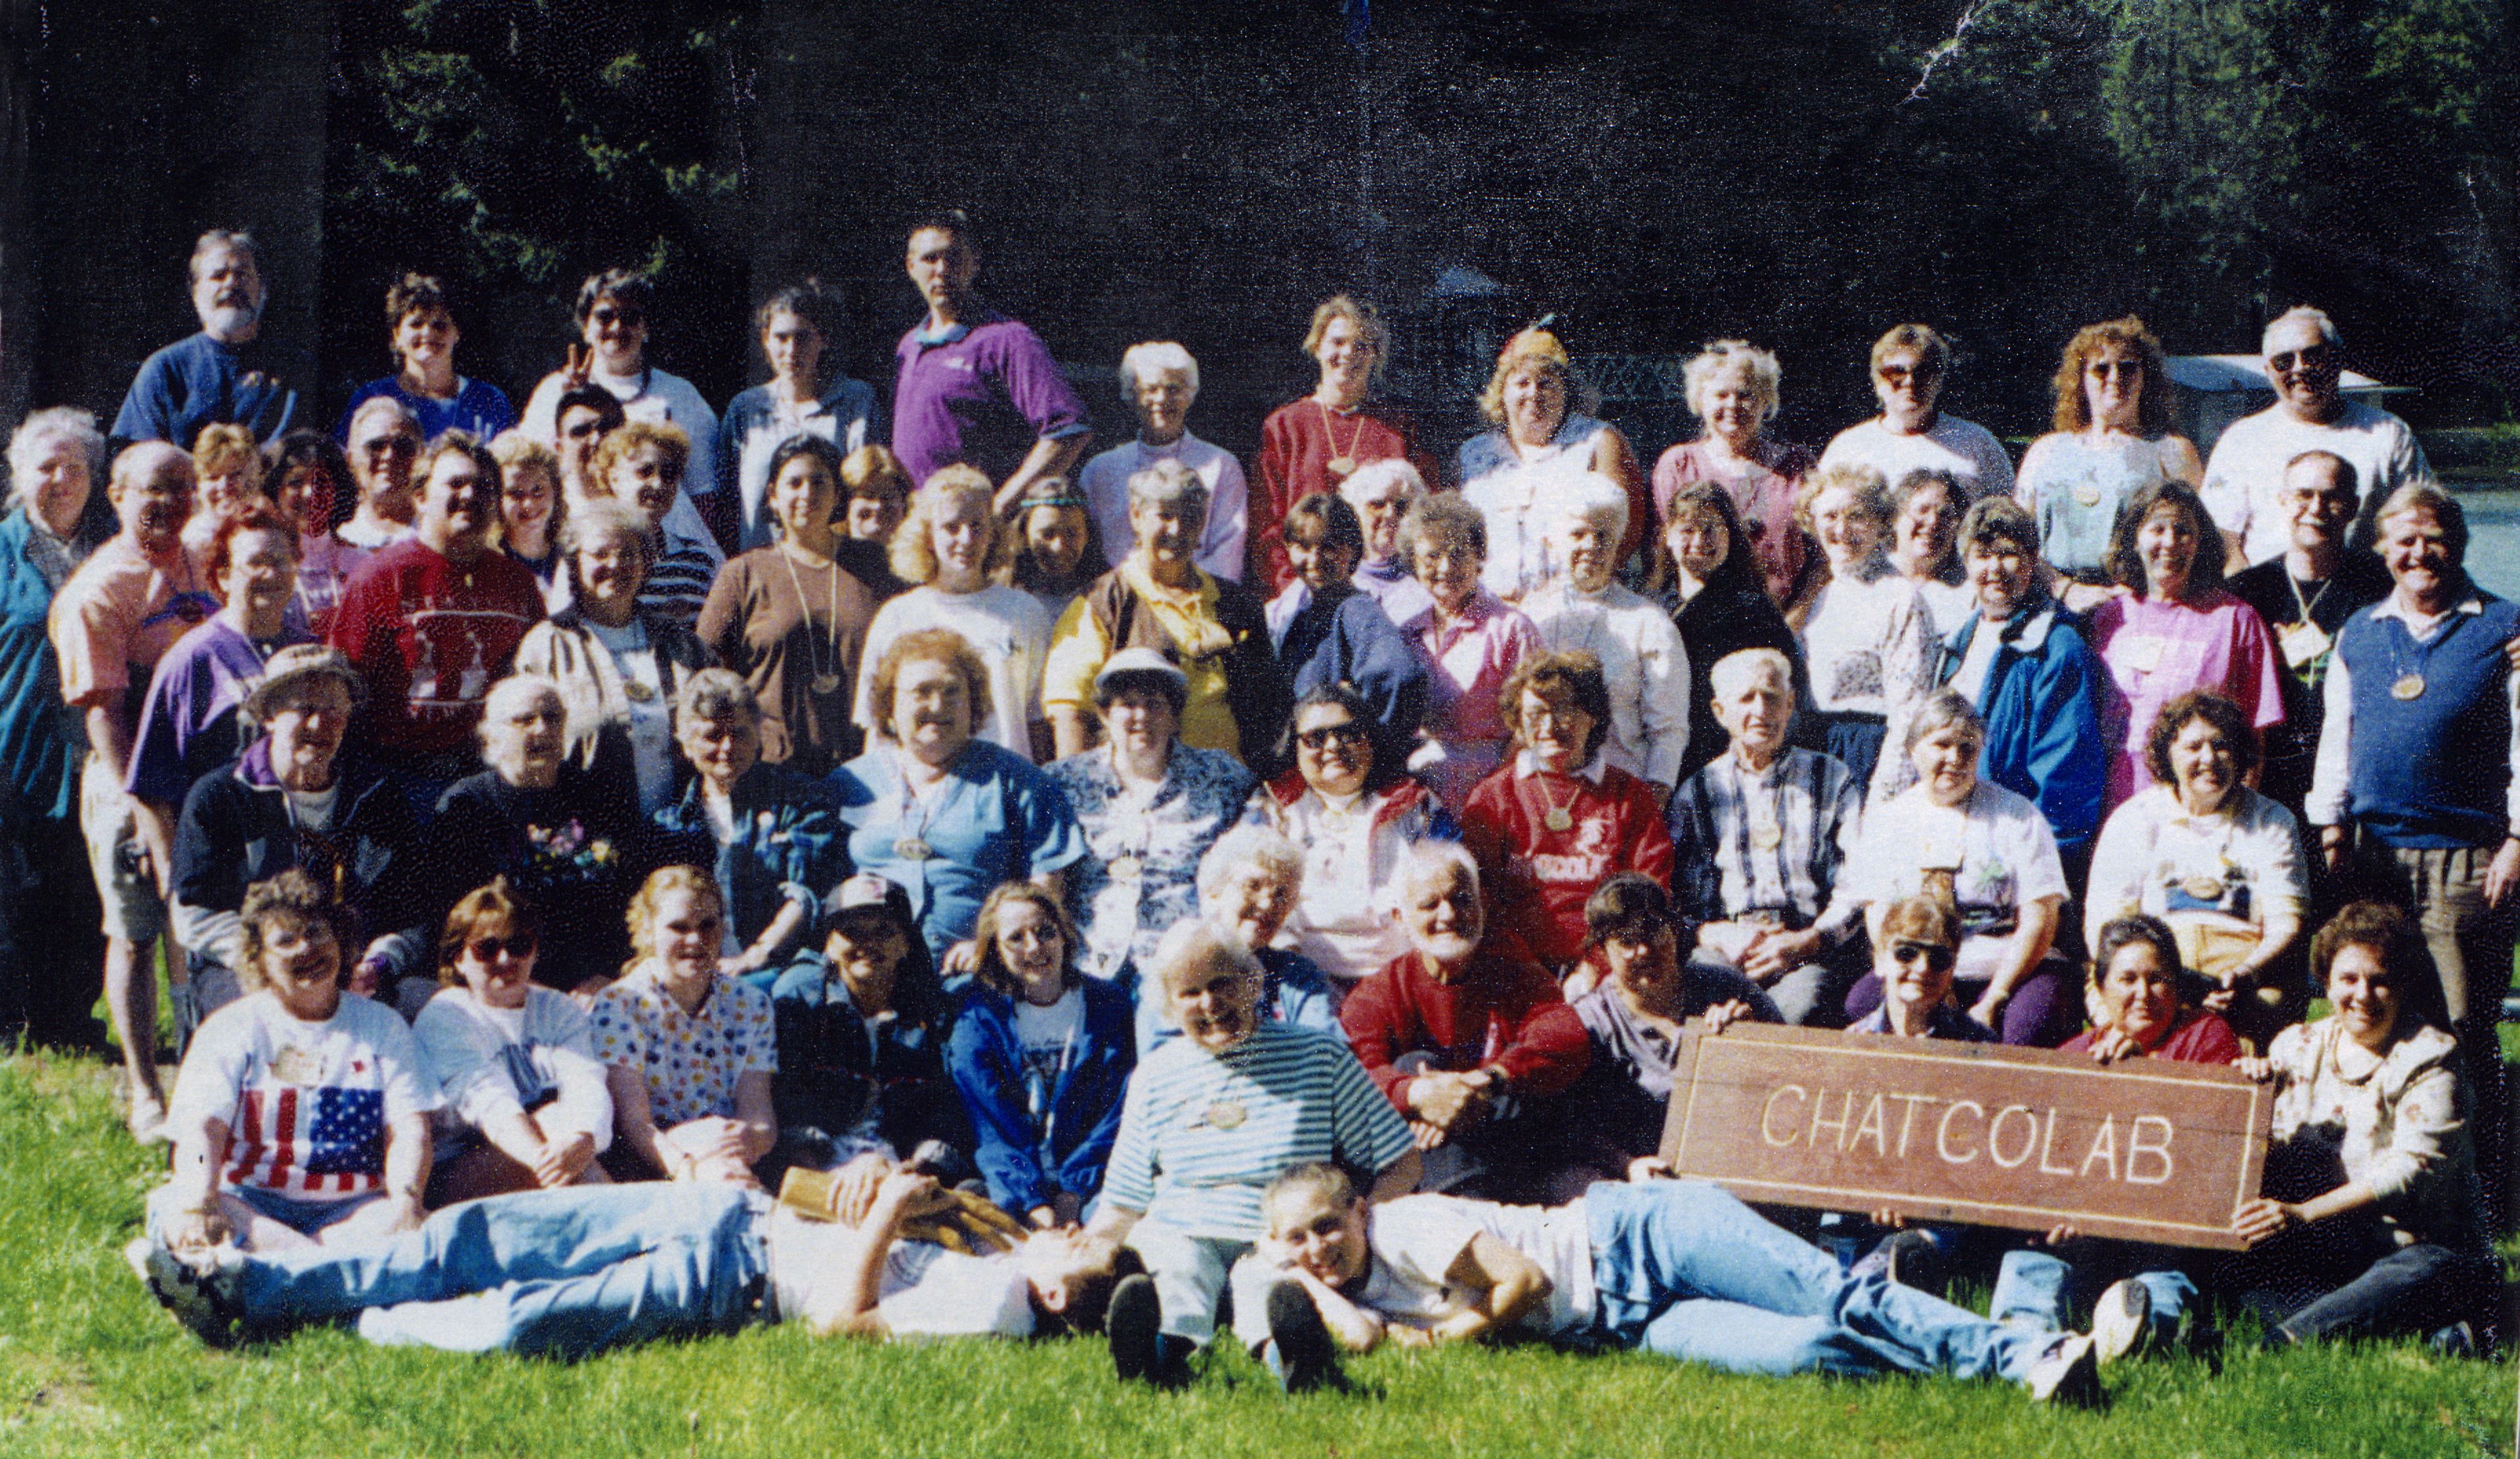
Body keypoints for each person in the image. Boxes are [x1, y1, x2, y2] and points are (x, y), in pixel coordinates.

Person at [1255, 1157, 2110, 1402]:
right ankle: (2021, 1327)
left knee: (1840, 1293)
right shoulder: (1343, 1284)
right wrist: (1309, 1279)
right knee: (1813, 1349)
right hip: (1623, 1322)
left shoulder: (1407, 1225)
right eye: (1299, 1240)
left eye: (1329, 1224)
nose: (1319, 1246)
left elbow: (1518, 1285)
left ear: (1362, 1210)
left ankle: (2027, 1349)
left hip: (1644, 1235)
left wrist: (1442, 1335)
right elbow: (1364, 1337)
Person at [134, 1166, 1136, 1354]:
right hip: (728, 1208)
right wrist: (880, 1185)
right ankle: (253, 1288)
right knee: (477, 1232)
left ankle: (347, 1316)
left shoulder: (998, 1304)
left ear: (1055, 1285)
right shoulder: (998, 1235)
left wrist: (885, 1224)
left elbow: (842, 1321)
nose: (1069, 1225)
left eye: (1080, 1242)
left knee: (529, 1317)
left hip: (732, 1280)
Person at [1089, 918, 1418, 1387]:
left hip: (1275, 1235)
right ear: (1169, 1005)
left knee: (1268, 1286)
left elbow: (1402, 1160)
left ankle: (1291, 1361)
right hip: (1181, 1225)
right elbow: (1124, 1196)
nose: (1210, 1003)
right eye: (1190, 993)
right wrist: (1091, 1251)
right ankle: (1156, 1354)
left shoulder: (1318, 1056)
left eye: (1222, 983)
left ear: (1253, 981)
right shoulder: (1155, 1075)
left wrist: (1360, 1227)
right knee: (1176, 1270)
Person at [2308, 483, 2519, 1206]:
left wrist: (2519, 838)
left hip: (2469, 857)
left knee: (2461, 1021)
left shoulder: (2503, 626)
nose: (2418, 553)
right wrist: (2332, 826)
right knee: (2377, 1016)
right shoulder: (2361, 631)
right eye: (2402, 540)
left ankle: (2474, 1181)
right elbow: (2339, 738)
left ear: (2457, 543)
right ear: (2381, 550)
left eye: (2431, 537)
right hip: (2374, 858)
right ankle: (2383, 1167)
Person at [2225, 902, 2496, 1346]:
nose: (2363, 994)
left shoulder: (2432, 1055)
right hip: (2326, 1246)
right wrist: (2246, 1094)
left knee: (2421, 1271)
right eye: (2348, 978)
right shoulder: (2296, 1045)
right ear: (2327, 981)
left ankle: (2282, 1339)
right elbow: (2261, 1151)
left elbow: (2411, 1170)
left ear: (2403, 984)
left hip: (2413, 1246)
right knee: (2238, 1273)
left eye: (2380, 980)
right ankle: (2415, 1330)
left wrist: (2303, 1212)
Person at [51, 440, 211, 1136]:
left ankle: (207, 1076)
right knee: (138, 931)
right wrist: (148, 820)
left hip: (201, 772)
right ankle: (146, 1089)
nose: (170, 503)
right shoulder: (99, 589)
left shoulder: (200, 561)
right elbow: (104, 718)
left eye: (182, 488)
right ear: (117, 496)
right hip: (130, 776)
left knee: (205, 930)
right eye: (155, 490)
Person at [146, 870, 438, 1252]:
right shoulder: (231, 1027)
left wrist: (406, 1202)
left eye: (316, 933)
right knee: (177, 1208)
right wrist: (200, 1202)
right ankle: (325, 1272)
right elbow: (202, 1130)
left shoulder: (384, 1026)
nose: (306, 949)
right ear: (260, 960)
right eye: (286, 941)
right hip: (251, 1208)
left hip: (353, 1212)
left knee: (407, 1228)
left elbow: (410, 1131)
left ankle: (277, 1275)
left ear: (340, 939)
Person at [170, 646, 427, 1026]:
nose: (320, 724)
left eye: (334, 711)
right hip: (255, 966)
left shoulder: (379, 795)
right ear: (269, 716)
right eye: (305, 709)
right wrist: (274, 961)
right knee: (262, 1018)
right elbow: (193, 912)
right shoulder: (221, 795)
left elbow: (410, 912)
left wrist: (377, 963)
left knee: (437, 1008)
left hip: (358, 969)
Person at [1341, 843, 1590, 1201]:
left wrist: (1490, 1079)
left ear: (1482, 905)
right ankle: (1471, 1207)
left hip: (1504, 1139)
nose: (1448, 915)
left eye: (1461, 900)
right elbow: (1348, 1069)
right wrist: (1418, 1094)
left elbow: (1565, 1034)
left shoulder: (1512, 970)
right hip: (1418, 1157)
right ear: (1400, 917)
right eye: (1429, 905)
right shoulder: (1383, 991)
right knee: (1411, 1065)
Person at [828, 628, 1087, 967]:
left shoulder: (1016, 782)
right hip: (868, 970)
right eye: (921, 692)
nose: (937, 706)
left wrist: (992, 946)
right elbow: (820, 883)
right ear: (890, 703)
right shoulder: (848, 783)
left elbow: (1046, 887)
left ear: (974, 704)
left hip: (976, 973)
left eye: (952, 693)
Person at [1841, 694, 2078, 1046]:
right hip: (1919, 966)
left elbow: (2040, 920)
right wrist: (1925, 984)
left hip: (2004, 970)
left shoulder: (2018, 816)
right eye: (1942, 745)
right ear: (1913, 749)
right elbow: (1880, 917)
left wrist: (1996, 996)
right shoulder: (1887, 820)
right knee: (1862, 1002)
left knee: (2029, 1022)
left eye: (1967, 748)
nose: (1955, 758)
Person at [328, 431, 546, 813]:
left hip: (489, 774)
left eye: (483, 487)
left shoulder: (518, 583)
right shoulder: (380, 578)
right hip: (401, 779)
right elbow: (345, 686)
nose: (470, 495)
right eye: (456, 483)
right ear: (421, 497)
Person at [2086, 690, 2309, 1044]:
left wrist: (2245, 973)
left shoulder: (2273, 820)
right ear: (2168, 756)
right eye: (2193, 748)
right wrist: (2178, 981)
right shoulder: (2134, 818)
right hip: (2154, 966)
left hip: (2244, 969)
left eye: (2221, 746)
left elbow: (2287, 923)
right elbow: (2108, 925)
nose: (2209, 759)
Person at [1667, 649, 1867, 1026]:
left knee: (1801, 1009)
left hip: (1803, 947)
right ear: (1719, 711)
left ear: (1790, 705)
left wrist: (1809, 940)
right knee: (1703, 1003)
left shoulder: (1832, 779)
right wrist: (1710, 933)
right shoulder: (1696, 792)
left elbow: (1860, 882)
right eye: (1745, 698)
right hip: (1724, 950)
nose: (1760, 709)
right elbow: (1672, 895)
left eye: (1771, 697)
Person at [1044, 459, 1287, 765]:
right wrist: (1077, 793)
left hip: (1231, 786)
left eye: (1190, 517)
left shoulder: (1236, 603)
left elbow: (1268, 710)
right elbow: (1070, 710)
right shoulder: (1102, 602)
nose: (1177, 529)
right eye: (1165, 515)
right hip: (1138, 791)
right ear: (1136, 516)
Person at [1549, 876, 1774, 1193]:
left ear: (1672, 929)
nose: (1643, 950)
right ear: (1602, 949)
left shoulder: (1726, 987)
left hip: (1738, 1167)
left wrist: (1755, 1041)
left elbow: (1797, 1076)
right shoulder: (1591, 1021)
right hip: (1653, 1182)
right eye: (1626, 942)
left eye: (1653, 933)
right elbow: (1569, 1126)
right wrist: (1626, 1165)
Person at [425, 674, 645, 997]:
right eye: (525, 720)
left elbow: (635, 898)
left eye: (552, 718)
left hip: (601, 985)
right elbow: (453, 921)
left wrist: (611, 975)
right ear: (493, 736)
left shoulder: (603, 797)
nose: (542, 729)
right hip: (503, 984)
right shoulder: (468, 807)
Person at [0, 408, 111, 1047]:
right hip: (15, 755)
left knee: (83, 896)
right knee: (15, 898)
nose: (62, 479)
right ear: (21, 475)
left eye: (75, 467)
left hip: (92, 760)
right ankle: (11, 1026)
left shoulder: (110, 553)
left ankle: (69, 1023)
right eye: (47, 466)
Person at [1045, 650, 1257, 982]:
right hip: (1088, 965)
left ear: (1175, 717)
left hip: (1184, 967)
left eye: (1155, 704)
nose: (1141, 715)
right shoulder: (1063, 781)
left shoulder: (1221, 776)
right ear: (1104, 714)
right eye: (1127, 704)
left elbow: (1264, 837)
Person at [1460, 650, 1673, 974]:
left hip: (1614, 970)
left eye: (1564, 710)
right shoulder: (1492, 798)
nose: (1549, 726)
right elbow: (1479, 902)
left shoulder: (1629, 796)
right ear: (1518, 724)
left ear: (1593, 716)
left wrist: (1598, 967)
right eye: (1535, 714)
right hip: (1516, 972)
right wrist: (1525, 972)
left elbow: (1649, 895)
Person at [411, 878, 614, 1204]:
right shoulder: (447, 1014)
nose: (506, 959)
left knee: (561, 1124)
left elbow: (586, 1083)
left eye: (519, 945)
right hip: (460, 1166)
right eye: (487, 948)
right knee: (553, 1123)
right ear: (458, 959)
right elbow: (488, 1101)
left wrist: (585, 1139)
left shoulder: (557, 1009)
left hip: (552, 1149)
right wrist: (547, 1161)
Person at [946, 881, 1137, 1227]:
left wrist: (1073, 1193)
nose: (1034, 947)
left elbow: (1118, 1111)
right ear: (996, 950)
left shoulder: (1110, 1007)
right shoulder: (977, 1019)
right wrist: (1034, 1202)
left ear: (1065, 934)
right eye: (1016, 939)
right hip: (1011, 1180)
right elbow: (990, 1124)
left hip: (1092, 1180)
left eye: (1045, 932)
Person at [2088, 480, 2284, 809]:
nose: (2170, 542)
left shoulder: (2235, 619)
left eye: (2183, 531)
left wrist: (2239, 817)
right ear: (2134, 538)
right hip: (2115, 803)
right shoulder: (2109, 617)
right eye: (2158, 529)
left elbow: (2255, 736)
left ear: (2200, 542)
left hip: (2203, 803)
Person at [513, 497, 712, 817]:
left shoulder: (683, 645)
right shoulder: (545, 646)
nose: (616, 565)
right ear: (575, 563)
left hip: (679, 831)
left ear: (646, 564)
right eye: (601, 554)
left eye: (629, 554)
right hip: (589, 836)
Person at [1937, 496, 2108, 869]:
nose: (1995, 568)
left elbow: (2066, 769)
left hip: (2017, 849)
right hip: (1956, 836)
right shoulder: (1955, 643)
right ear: (1966, 562)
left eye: (2009, 554)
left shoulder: (2057, 649)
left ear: (2033, 561)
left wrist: (2045, 862)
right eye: (1982, 555)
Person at [1253, 684, 1460, 992]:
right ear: (1295, 748)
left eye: (1348, 733)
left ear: (1370, 741)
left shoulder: (1416, 806)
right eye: (1316, 738)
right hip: (1299, 979)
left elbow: (1451, 886)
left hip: (1401, 978)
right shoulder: (1273, 810)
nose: (1333, 746)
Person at [646, 671, 845, 986]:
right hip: (694, 971)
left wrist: (758, 953)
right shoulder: (669, 824)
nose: (727, 747)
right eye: (713, 736)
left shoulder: (797, 798)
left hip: (778, 967)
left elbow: (806, 891)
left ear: (758, 735)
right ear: (685, 744)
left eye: (739, 733)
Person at [698, 435, 878, 778]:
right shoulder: (743, 573)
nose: (807, 493)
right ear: (773, 496)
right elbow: (706, 673)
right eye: (794, 482)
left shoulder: (875, 566)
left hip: (867, 764)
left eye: (819, 481)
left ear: (838, 494)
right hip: (771, 770)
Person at [768, 874, 971, 1181]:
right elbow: (787, 1104)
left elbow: (945, 1113)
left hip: (905, 1169)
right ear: (830, 944)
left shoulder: (932, 1013)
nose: (869, 944)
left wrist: (917, 1169)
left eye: (884, 932)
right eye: (852, 933)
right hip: (817, 1164)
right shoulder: (802, 998)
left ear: (905, 942)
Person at [2225, 451, 2395, 811]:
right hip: (2268, 769)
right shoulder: (2246, 592)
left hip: (2351, 769)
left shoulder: (2383, 588)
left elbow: (2451, 602)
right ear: (2283, 501)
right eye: (2304, 494)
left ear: (2353, 507)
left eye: (2331, 497)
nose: (2316, 507)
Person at [2201, 305, 2433, 568]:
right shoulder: (2241, 440)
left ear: (2338, 359)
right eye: (2284, 361)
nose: (2300, 368)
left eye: (2313, 355)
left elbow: (2425, 522)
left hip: (2364, 599)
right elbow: (2221, 541)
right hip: (2269, 599)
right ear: (2268, 371)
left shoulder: (2389, 433)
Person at [127, 509, 313, 837]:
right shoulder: (192, 660)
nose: (270, 574)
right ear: (224, 575)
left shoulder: (308, 650)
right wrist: (173, 875)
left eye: (282, 561)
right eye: (256, 563)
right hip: (221, 844)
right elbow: (153, 786)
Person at [588, 867, 778, 1184]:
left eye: (708, 925)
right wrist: (689, 1168)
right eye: (679, 927)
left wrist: (748, 1140)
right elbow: (635, 1125)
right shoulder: (620, 1004)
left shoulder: (752, 1005)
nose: (696, 940)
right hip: (656, 1158)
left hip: (731, 1153)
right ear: (648, 929)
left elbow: (759, 1114)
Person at [891, 211, 1090, 505]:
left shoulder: (1007, 340)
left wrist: (999, 509)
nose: (942, 269)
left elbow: (1069, 431)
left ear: (975, 263)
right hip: (917, 532)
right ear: (910, 266)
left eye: (954, 257)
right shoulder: (908, 346)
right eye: (930, 259)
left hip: (972, 536)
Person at [520, 269, 727, 549]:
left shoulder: (680, 395)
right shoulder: (553, 392)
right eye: (605, 316)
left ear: (646, 328)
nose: (617, 327)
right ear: (585, 327)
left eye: (630, 317)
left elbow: (705, 495)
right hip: (577, 548)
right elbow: (526, 477)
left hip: (663, 552)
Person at [858, 465, 1052, 761]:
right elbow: (878, 730)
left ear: (993, 531)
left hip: (1005, 787)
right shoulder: (897, 616)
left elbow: (1036, 718)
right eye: (951, 527)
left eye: (977, 526)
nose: (966, 539)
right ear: (927, 534)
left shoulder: (1025, 612)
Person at [1253, 295, 1442, 591]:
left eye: (1362, 345)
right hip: (1303, 588)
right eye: (1338, 342)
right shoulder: (1284, 427)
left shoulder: (1398, 428)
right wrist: (1293, 591)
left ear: (1375, 355)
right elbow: (1268, 526)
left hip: (1386, 589)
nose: (1349, 353)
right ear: (1317, 347)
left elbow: (1425, 517)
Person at [2013, 318, 2202, 610]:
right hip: (2047, 602)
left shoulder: (2172, 452)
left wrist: (2125, 594)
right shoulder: (2044, 451)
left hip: (2137, 606)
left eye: (2128, 367)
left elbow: (2197, 543)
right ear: (2080, 379)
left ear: (2145, 376)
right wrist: (2064, 589)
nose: (2115, 377)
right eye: (2101, 368)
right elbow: (2016, 538)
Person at [1519, 476, 1691, 792]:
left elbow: (1669, 731)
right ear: (1553, 541)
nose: (1591, 546)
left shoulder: (1648, 622)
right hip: (1541, 789)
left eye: (1603, 536)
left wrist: (1656, 795)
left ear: (1618, 544)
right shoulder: (1529, 616)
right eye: (1578, 534)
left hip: (1620, 793)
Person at [1454, 327, 1650, 602]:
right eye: (1522, 383)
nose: (1535, 393)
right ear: (1502, 393)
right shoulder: (1472, 453)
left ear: (1567, 390)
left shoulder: (1597, 442)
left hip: (1576, 606)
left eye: (1547, 382)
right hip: (1493, 612)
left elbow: (1624, 532)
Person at [1794, 464, 1935, 800]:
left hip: (1868, 751)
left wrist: (1884, 795)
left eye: (1856, 516)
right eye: (1829, 516)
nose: (1842, 529)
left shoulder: (1899, 597)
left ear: (1880, 523)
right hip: (1811, 750)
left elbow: (1909, 710)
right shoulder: (1815, 592)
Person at [1395, 492, 1541, 810]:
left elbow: (1532, 723)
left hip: (1495, 785)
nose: (1446, 567)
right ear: (1414, 564)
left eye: (1459, 553)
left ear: (1479, 557)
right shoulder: (1406, 634)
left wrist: (1495, 789)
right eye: (1432, 556)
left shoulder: (1511, 628)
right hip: (1422, 785)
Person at [1264, 491, 1429, 771]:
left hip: (1339, 766)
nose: (1315, 558)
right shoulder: (1302, 613)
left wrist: (1372, 744)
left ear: (1352, 550)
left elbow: (1399, 675)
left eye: (1329, 546)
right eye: (1304, 546)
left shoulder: (1355, 610)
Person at [1137, 826, 1342, 1050]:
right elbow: (1161, 1060)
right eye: (1253, 886)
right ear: (1214, 891)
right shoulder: (1176, 967)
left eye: (1282, 895)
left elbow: (1326, 1052)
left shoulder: (1297, 976)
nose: (1267, 904)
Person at [1652, 339, 1816, 608]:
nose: (1733, 405)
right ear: (1700, 400)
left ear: (1766, 401)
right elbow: (1662, 557)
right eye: (1721, 395)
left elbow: (1822, 559)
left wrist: (1793, 622)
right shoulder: (1679, 466)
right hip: (1700, 622)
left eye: (1745, 394)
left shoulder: (1797, 466)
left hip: (1788, 622)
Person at [719, 280, 880, 552]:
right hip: (762, 565)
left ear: (824, 339)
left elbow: (866, 492)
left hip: (833, 564)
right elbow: (727, 504)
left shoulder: (855, 402)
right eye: (781, 338)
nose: (792, 350)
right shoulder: (745, 409)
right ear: (765, 341)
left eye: (803, 337)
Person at [1659, 479, 1803, 784]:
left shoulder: (1753, 609)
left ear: (1730, 534)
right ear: (1668, 536)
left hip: (1732, 758)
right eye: (1688, 530)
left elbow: (1789, 688)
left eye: (1711, 528)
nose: (1700, 540)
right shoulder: (1652, 607)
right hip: (1668, 758)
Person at [112, 229, 302, 450]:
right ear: (195, 291)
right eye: (218, 275)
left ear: (263, 290)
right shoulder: (165, 370)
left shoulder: (299, 370)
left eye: (242, 274)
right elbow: (134, 459)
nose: (231, 284)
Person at [1080, 341, 1246, 581]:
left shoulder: (1222, 466)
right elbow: (1088, 557)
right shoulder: (1099, 471)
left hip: (1195, 603)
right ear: (1132, 395)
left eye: (1173, 389)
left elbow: (1227, 557)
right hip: (1118, 603)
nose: (1161, 399)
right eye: (1150, 389)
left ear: (1189, 395)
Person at [1817, 324, 2014, 501]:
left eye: (1923, 371)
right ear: (1877, 382)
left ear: (1939, 380)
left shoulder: (1976, 441)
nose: (1910, 381)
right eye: (1897, 372)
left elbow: (2008, 515)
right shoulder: (1848, 447)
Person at [335, 272, 517, 446]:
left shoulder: (489, 401)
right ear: (397, 335)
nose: (428, 333)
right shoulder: (372, 397)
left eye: (439, 325)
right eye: (416, 324)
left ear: (457, 334)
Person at [583, 419, 723, 632]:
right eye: (645, 472)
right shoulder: (593, 557)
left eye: (668, 475)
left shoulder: (697, 558)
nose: (658, 484)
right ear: (614, 478)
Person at [1846, 895, 1995, 1042]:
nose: (1923, 968)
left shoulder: (1979, 1043)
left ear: (1952, 968)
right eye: (1906, 953)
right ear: (1880, 961)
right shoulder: (1855, 1041)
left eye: (1939, 957)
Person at [262, 429, 366, 636]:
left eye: (321, 482)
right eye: (296, 482)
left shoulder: (361, 563)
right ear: (275, 491)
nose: (310, 493)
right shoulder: (263, 564)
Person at [1337, 457, 1435, 624]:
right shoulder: (1336, 574)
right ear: (1355, 513)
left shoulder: (1428, 576)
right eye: (1377, 505)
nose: (1390, 514)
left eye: (1401, 506)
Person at [1887, 469, 1974, 640]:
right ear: (1895, 518)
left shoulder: (1967, 591)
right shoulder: (1874, 578)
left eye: (1945, 515)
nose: (1933, 521)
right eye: (1922, 510)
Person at [1009, 476, 1106, 629]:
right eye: (1047, 534)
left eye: (1072, 534)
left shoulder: (1107, 600)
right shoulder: (1004, 597)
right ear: (1024, 535)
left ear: (1087, 535)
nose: (1058, 547)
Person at [489, 430, 566, 606]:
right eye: (515, 494)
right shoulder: (489, 562)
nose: (529, 504)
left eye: (538, 490)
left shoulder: (572, 556)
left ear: (555, 490)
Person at [337, 396, 423, 550]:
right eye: (376, 446)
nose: (389, 455)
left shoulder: (438, 533)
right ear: (351, 461)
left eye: (403, 445)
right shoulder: (339, 541)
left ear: (419, 455)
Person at [834, 443, 915, 603]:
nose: (878, 506)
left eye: (888, 497)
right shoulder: (830, 554)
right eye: (868, 496)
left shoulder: (917, 562)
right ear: (847, 504)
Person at [183, 424, 266, 559]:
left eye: (235, 475)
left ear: (250, 478)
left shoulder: (265, 529)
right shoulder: (189, 539)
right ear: (198, 484)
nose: (224, 485)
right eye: (213, 477)